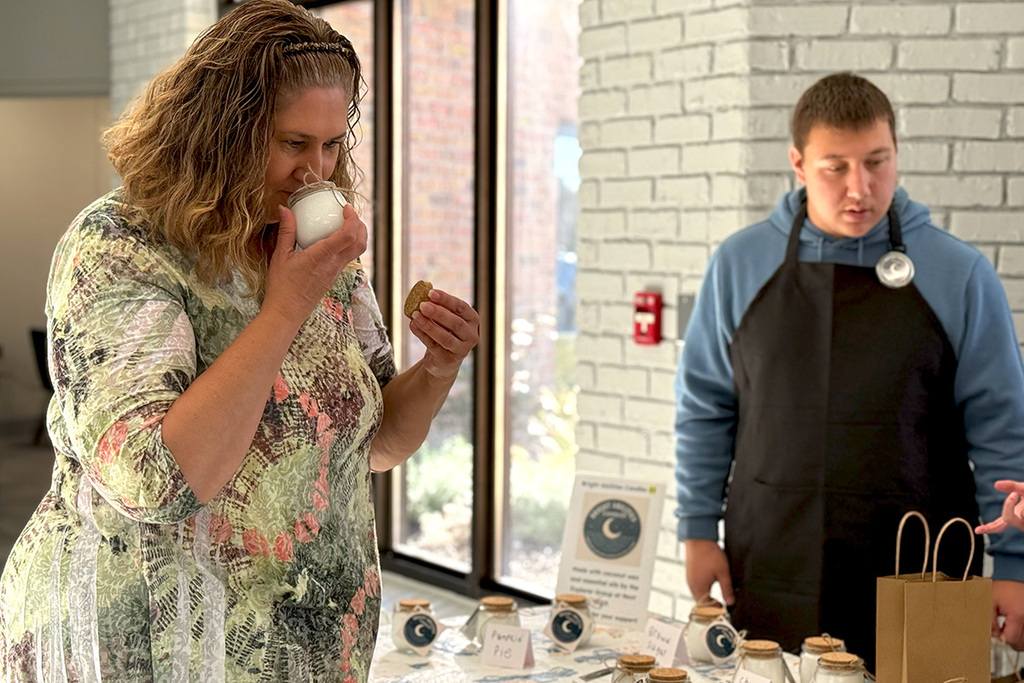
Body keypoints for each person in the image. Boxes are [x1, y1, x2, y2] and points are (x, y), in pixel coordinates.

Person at [0, 1, 479, 680]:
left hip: (294, 652)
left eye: (333, 144)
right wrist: (285, 309)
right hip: (143, 650)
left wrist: (436, 366)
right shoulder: (121, 246)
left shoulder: (316, 251)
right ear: (221, 130)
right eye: (293, 143)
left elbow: (374, 445)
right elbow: (158, 482)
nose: (317, 171)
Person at [674, 72, 1024, 667]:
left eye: (877, 162)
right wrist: (698, 530)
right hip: (771, 556)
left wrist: (1015, 565)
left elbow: (1003, 428)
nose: (860, 187)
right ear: (799, 163)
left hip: (926, 557)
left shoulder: (959, 272)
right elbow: (706, 409)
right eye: (835, 166)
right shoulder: (740, 263)